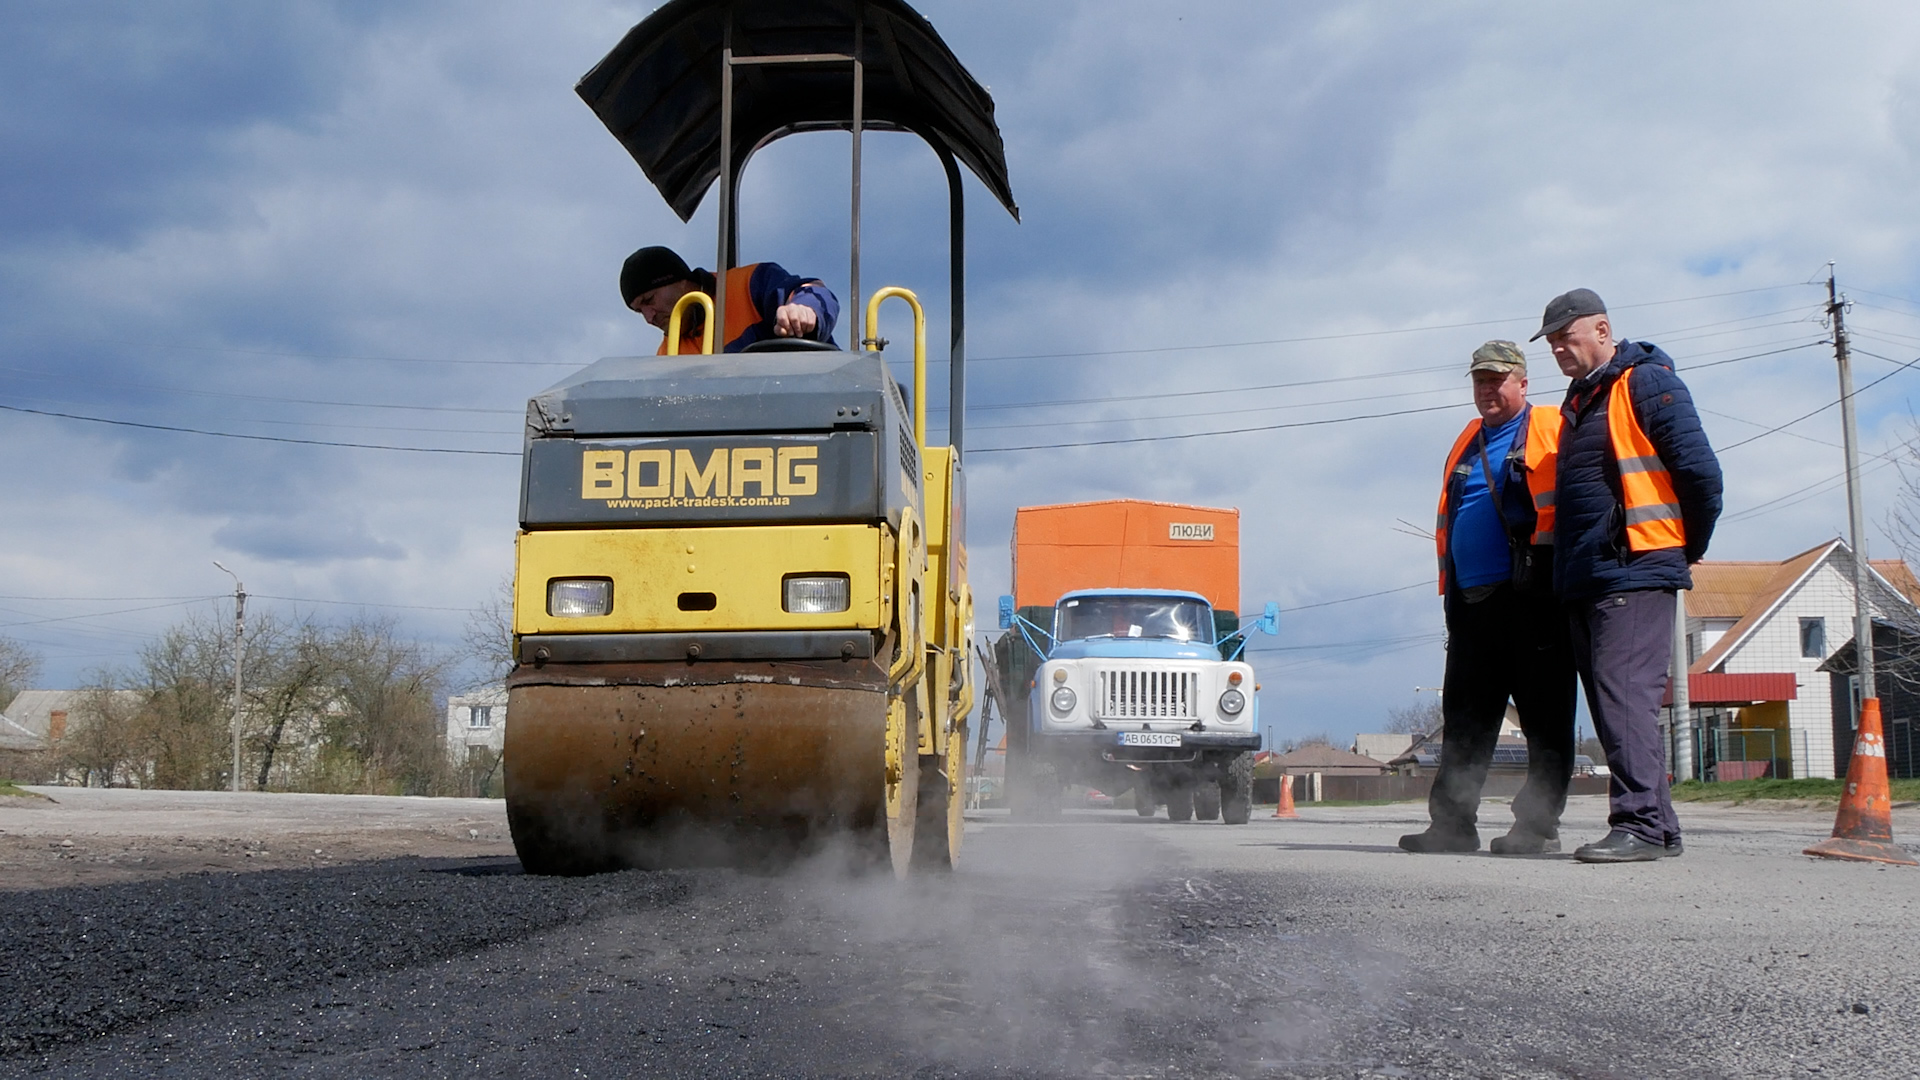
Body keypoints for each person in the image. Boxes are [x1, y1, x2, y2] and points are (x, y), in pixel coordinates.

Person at [1535, 288, 1723, 863]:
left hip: (1634, 570)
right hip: (1588, 576)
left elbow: (1701, 475)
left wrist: (1681, 547)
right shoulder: (1580, 400)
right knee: (1614, 705)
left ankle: (1637, 823)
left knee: (1623, 700)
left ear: (1602, 329)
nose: (1559, 349)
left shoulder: (1645, 383)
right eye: (1551, 343)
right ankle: (1659, 827)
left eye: (1566, 338)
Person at [1400, 341, 1577, 856]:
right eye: (1480, 380)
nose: (1487, 389)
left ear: (1523, 382)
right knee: (1465, 718)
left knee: (1545, 717)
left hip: (1535, 600)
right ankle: (1452, 825)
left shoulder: (1553, 427)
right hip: (1471, 602)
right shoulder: (1467, 439)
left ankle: (1537, 829)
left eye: (1497, 380)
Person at [620, 246, 840, 354]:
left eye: (649, 300)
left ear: (681, 281)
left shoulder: (750, 283)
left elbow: (813, 292)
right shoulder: (668, 354)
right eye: (639, 311)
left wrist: (804, 309)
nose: (649, 318)